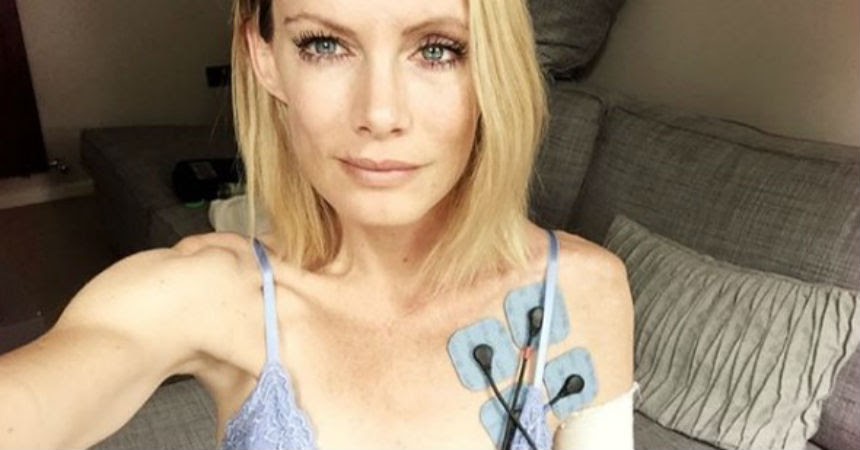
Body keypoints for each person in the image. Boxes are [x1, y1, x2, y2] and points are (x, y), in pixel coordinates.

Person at [0, 0, 635, 448]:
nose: (380, 113)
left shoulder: (581, 291)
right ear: (265, 57)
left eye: (438, 49)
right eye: (325, 45)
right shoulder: (211, 295)